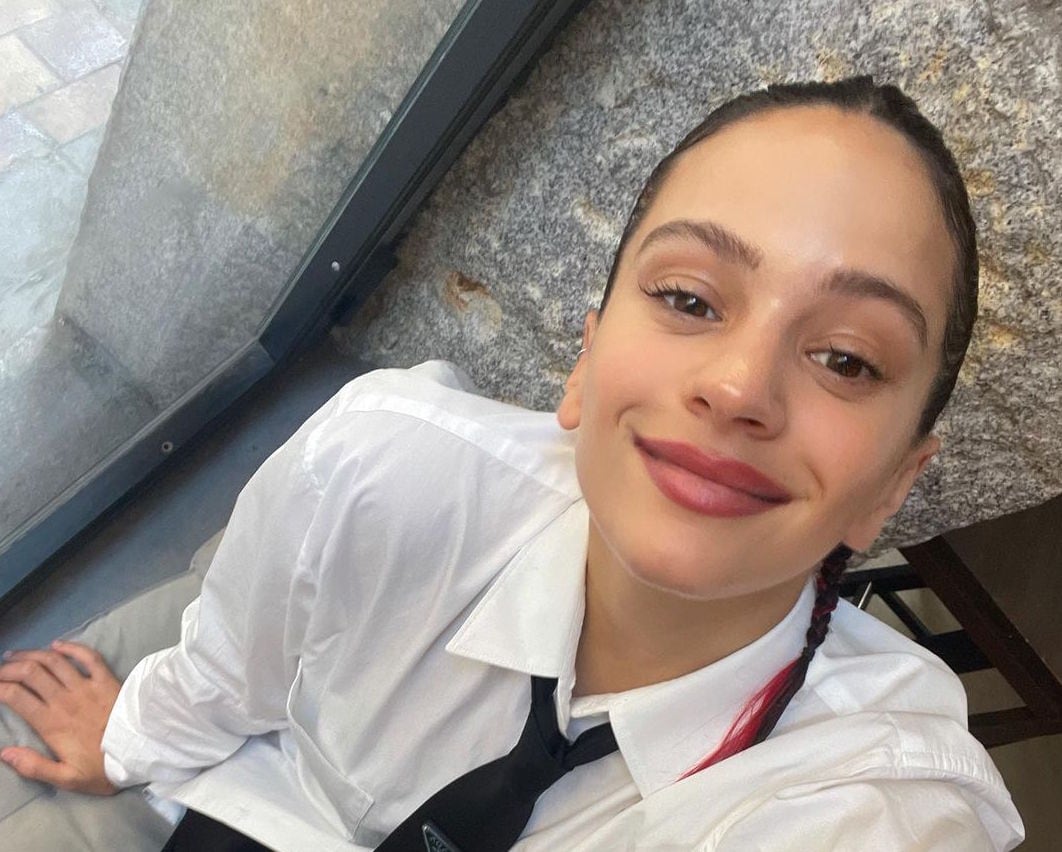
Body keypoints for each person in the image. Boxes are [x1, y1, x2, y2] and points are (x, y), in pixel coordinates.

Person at [0, 77, 1025, 850]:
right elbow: (234, 663)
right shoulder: (382, 469)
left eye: (846, 359)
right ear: (585, 361)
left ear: (894, 485)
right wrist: (132, 740)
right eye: (688, 299)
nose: (738, 386)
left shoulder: (871, 805)